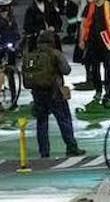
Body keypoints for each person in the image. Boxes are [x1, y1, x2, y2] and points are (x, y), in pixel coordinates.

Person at [23, 29, 86, 158]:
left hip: (37, 93)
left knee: (42, 122)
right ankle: (71, 147)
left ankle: (44, 151)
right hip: (54, 92)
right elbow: (66, 70)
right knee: (64, 120)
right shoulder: (55, 54)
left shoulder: (32, 55)